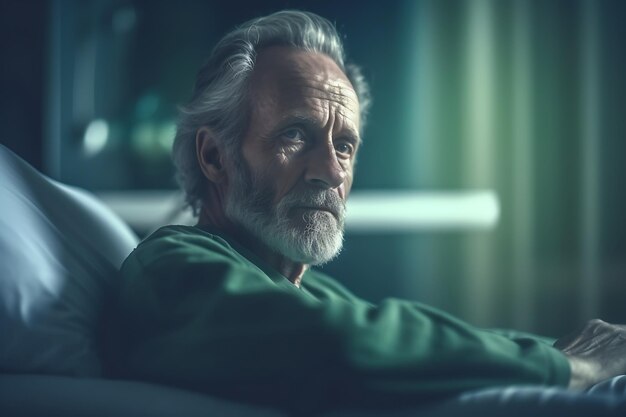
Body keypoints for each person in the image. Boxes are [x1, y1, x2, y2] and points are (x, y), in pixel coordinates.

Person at [113, 9, 626, 414]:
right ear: (214, 156)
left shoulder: (298, 285)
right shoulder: (170, 267)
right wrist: (562, 366)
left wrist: (575, 353)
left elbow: (426, 343)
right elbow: (343, 341)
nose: (332, 174)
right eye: (296, 135)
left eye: (344, 146)